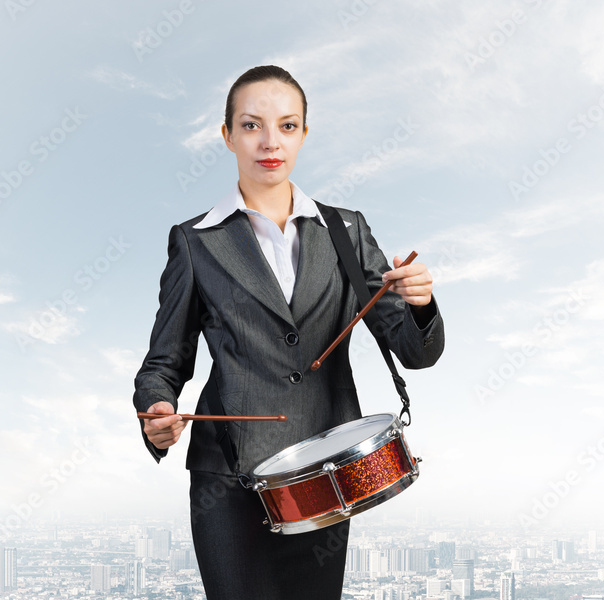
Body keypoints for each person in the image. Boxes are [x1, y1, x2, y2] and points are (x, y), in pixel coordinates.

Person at [133, 65, 445, 599]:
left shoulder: (347, 231)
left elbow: (415, 351)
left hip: (328, 476)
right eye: (252, 126)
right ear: (227, 135)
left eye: (287, 125)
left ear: (304, 133)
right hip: (228, 480)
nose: (270, 142)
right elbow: (164, 363)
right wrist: (155, 411)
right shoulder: (194, 241)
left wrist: (420, 303)